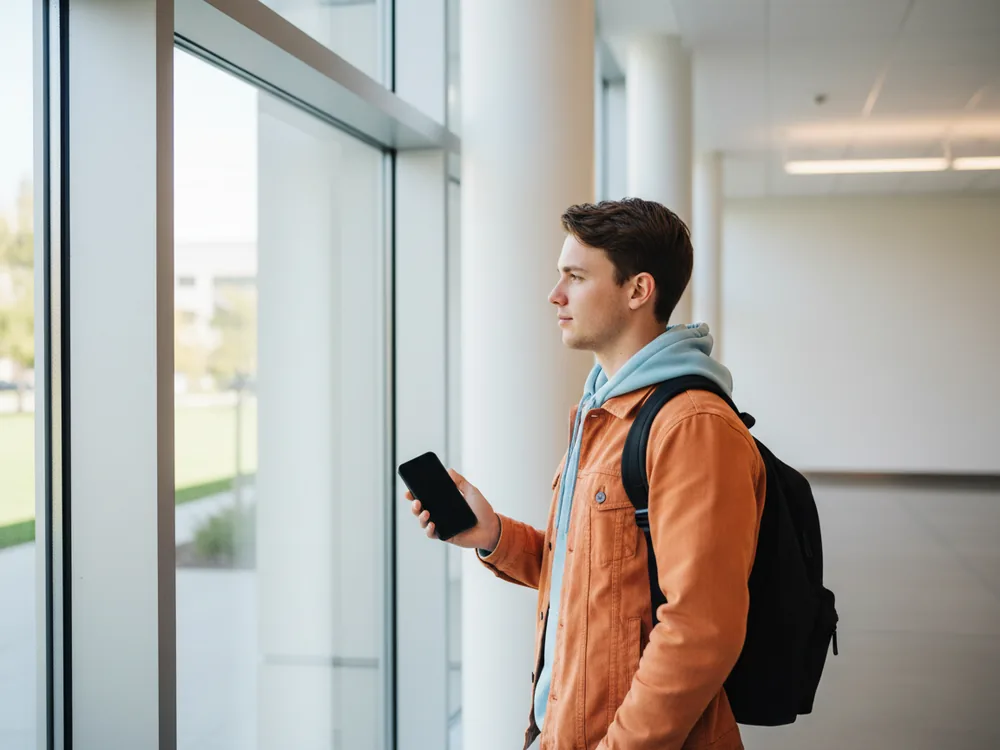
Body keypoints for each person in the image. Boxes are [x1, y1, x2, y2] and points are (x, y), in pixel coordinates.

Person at [405, 198, 766, 750]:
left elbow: (701, 632)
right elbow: (598, 578)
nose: (555, 295)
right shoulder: (603, 411)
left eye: (575, 277)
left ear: (638, 290)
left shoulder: (691, 427)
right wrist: (494, 536)